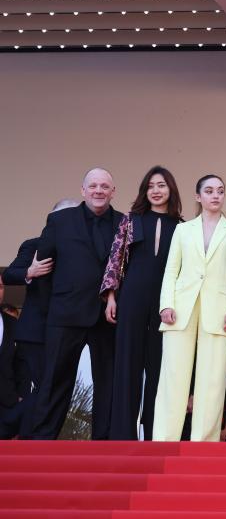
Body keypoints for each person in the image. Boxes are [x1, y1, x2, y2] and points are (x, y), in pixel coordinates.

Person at [28, 168, 123, 440]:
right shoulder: (60, 220)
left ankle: (104, 442)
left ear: (113, 192)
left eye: (104, 186)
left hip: (107, 316)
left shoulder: (124, 223)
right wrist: (51, 310)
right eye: (93, 186)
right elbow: (44, 269)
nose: (98, 191)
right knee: (54, 380)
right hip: (65, 314)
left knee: (108, 382)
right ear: (83, 190)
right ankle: (42, 439)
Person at [152, 174, 226, 442]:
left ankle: (204, 441)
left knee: (213, 380)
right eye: (209, 191)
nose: (215, 195)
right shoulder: (183, 230)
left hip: (220, 311)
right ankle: (164, 438)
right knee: (173, 376)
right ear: (198, 196)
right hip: (180, 309)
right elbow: (171, 270)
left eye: (220, 191)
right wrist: (166, 304)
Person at [100, 166, 183, 441]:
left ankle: (156, 435)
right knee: (127, 364)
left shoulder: (183, 227)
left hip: (166, 303)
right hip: (132, 297)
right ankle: (122, 436)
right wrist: (111, 297)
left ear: (171, 189)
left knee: (160, 366)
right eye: (151, 186)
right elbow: (115, 259)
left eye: (161, 185)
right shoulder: (130, 220)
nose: (156, 191)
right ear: (144, 192)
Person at [2, 198, 79, 435]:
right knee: (46, 387)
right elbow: (10, 274)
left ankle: (41, 439)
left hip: (67, 331)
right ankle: (21, 434)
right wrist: (30, 271)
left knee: (58, 389)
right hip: (36, 332)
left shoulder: (82, 252)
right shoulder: (34, 245)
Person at [0, 280, 31, 439]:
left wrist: (21, 400)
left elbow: (22, 366)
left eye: (0, 287)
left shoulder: (13, 324)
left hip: (7, 410)